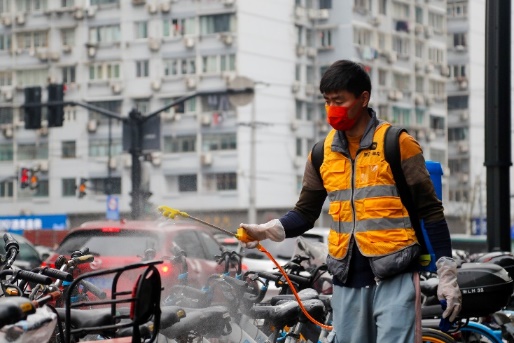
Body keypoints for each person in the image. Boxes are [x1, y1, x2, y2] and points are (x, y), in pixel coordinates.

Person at [240, 60, 461, 343]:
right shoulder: (321, 154)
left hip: (395, 276)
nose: (332, 109)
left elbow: (430, 211)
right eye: (327, 101)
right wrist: (265, 230)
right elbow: (305, 213)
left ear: (363, 98)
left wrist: (447, 274)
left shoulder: (397, 144)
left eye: (340, 101)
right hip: (346, 281)